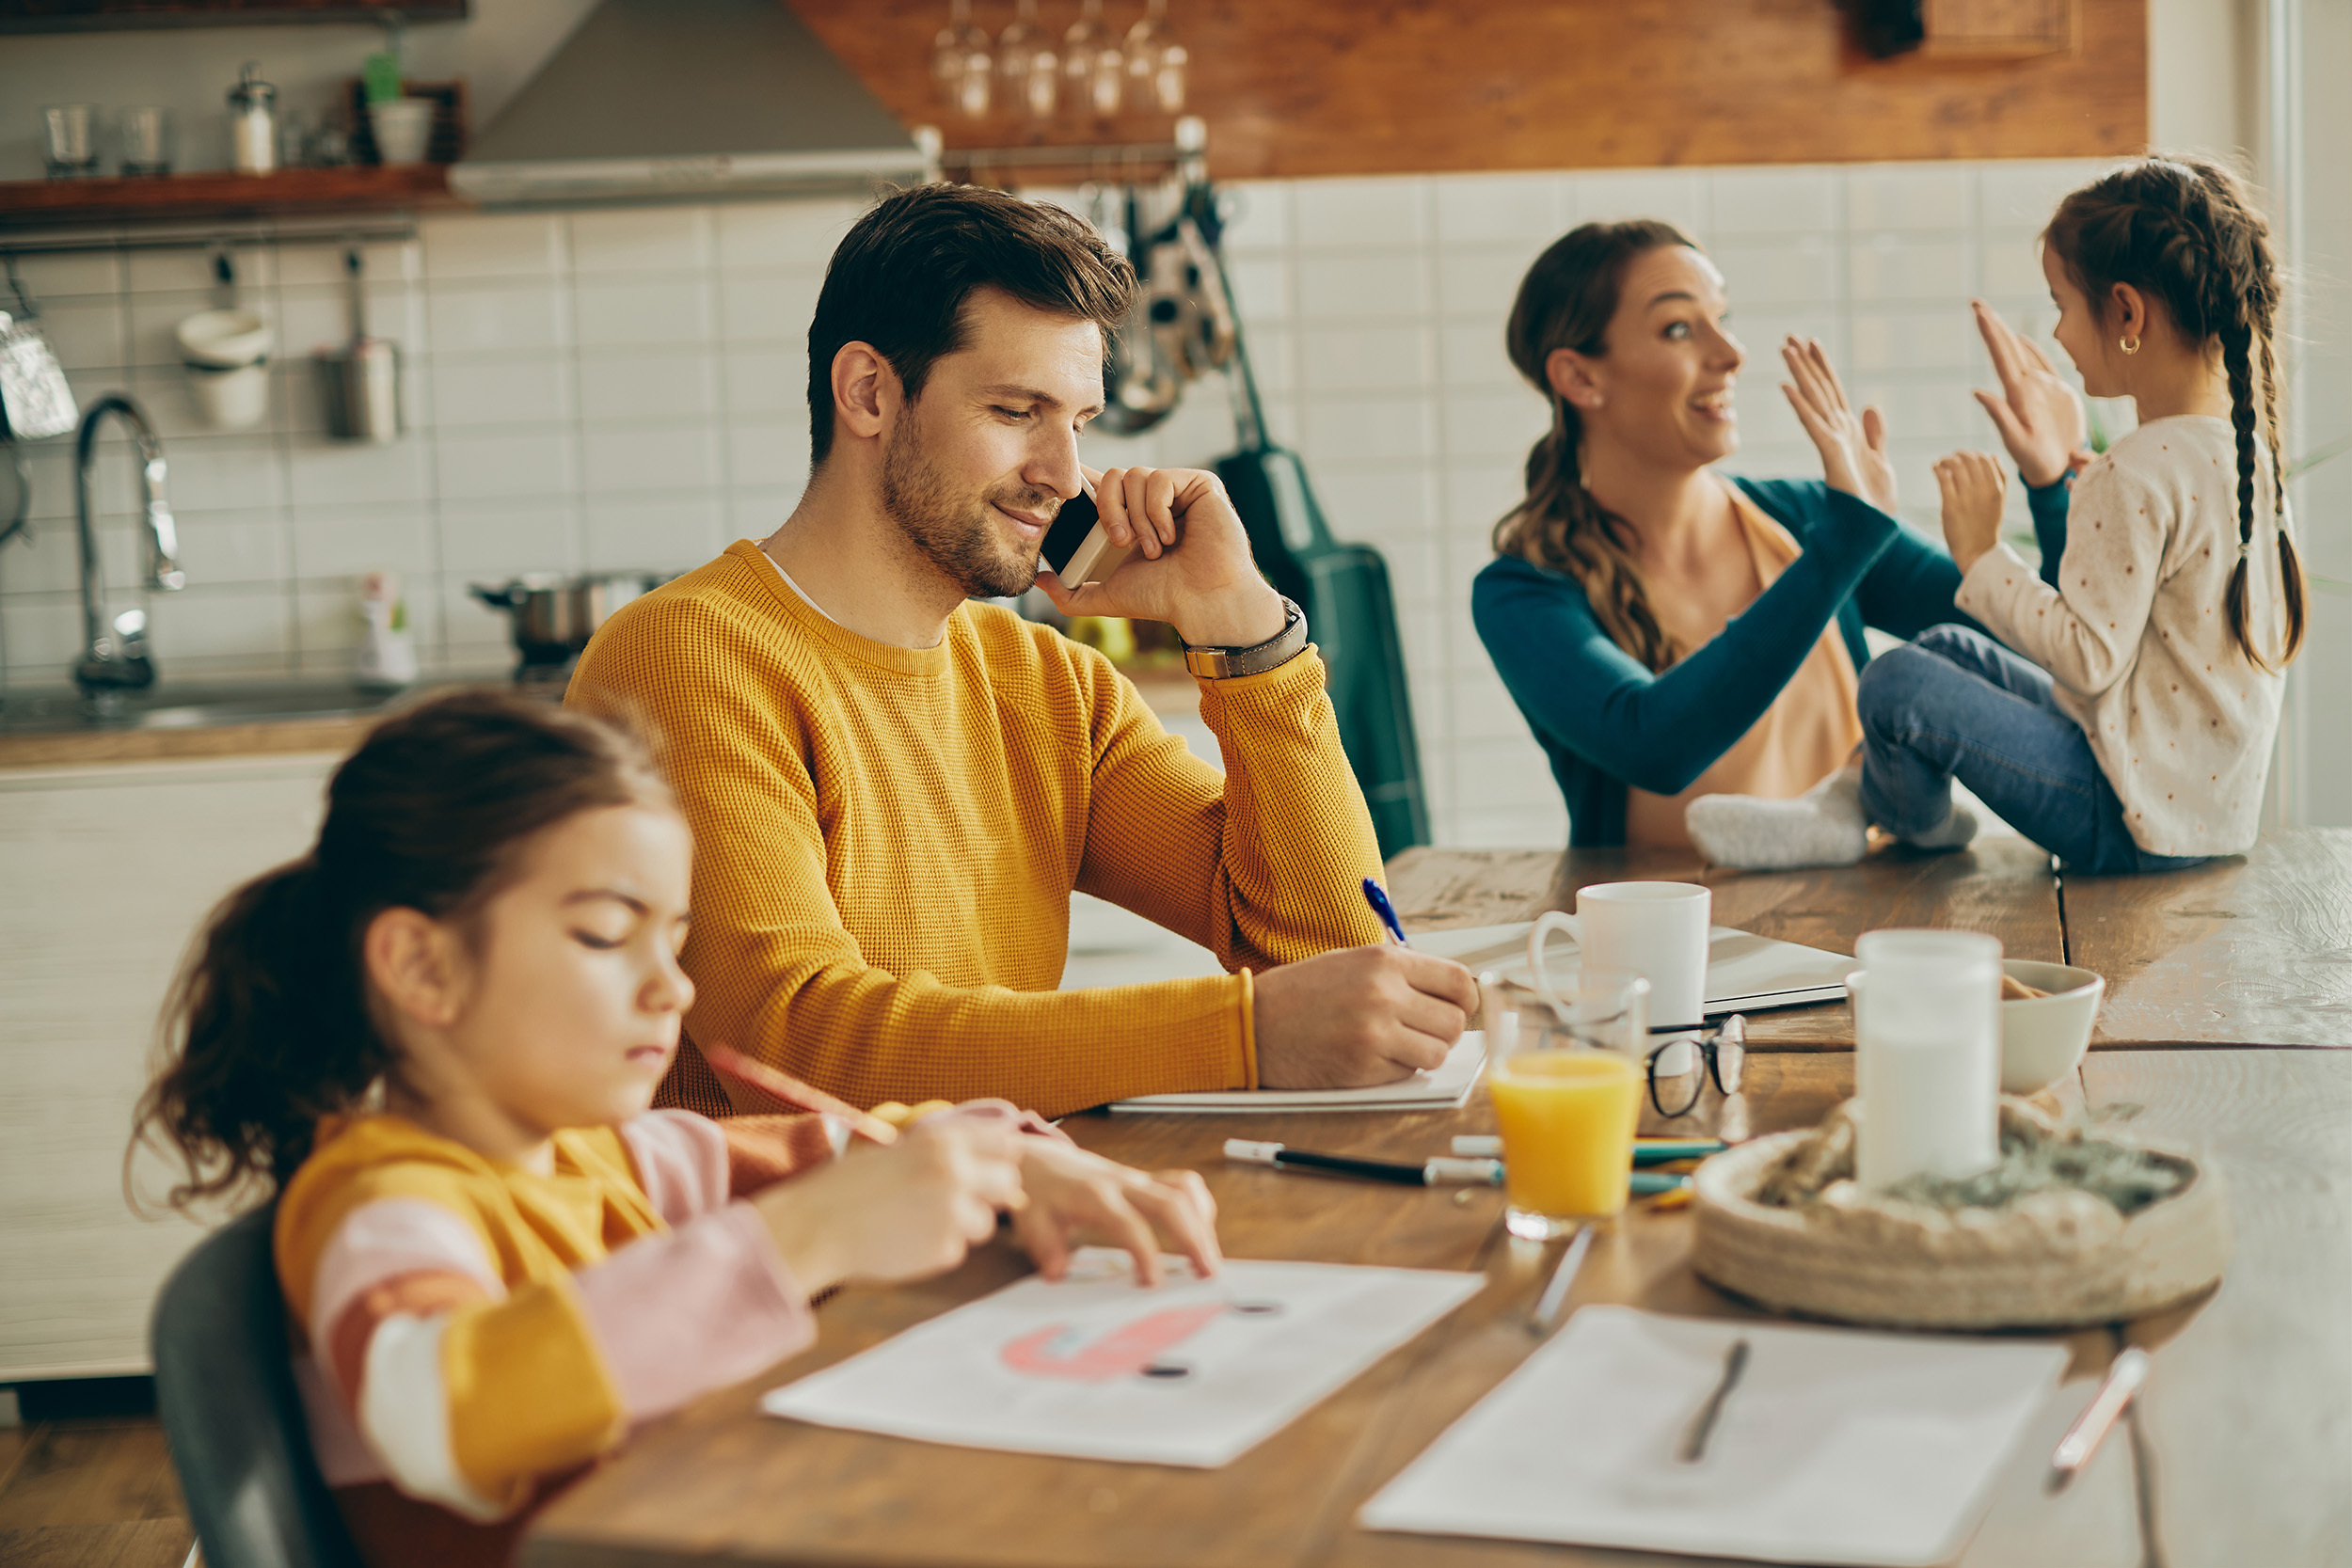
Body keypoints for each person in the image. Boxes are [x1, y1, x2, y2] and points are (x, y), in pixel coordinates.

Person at [133, 690, 1221, 1568]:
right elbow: (439, 1413)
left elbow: (863, 1147)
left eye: (675, 938)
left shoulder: (626, 1157)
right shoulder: (381, 1200)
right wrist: (800, 1237)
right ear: (423, 965)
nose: (673, 990)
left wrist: (1016, 1161)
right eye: (606, 936)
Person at [566, 183, 1478, 1120]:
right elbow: (802, 1042)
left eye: (1077, 423)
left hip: (1006, 1228)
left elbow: (1327, 948)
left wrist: (1240, 628)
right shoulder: (687, 658)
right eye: (1015, 412)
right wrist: (1237, 1034)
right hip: (782, 1255)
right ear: (869, 393)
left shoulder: (1049, 684)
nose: (1062, 475)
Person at [1688, 157, 2307, 872]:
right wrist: (2068, 483)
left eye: (2062, 305)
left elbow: (2087, 659)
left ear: (2128, 312)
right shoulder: (2241, 451)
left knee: (1894, 683)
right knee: (1948, 646)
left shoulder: (2137, 468)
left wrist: (1982, 552)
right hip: (2190, 811)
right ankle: (1861, 804)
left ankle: (1893, 818)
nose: (2059, 337)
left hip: (2133, 819)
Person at [1471, 220, 1979, 851]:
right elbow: (1654, 745)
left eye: (1724, 317)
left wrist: (2052, 487)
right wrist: (1841, 547)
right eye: (1679, 328)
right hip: (1660, 946)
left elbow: (2017, 632)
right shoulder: (1522, 594)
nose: (1731, 353)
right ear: (1580, 379)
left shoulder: (1810, 518)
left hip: (1855, 931)